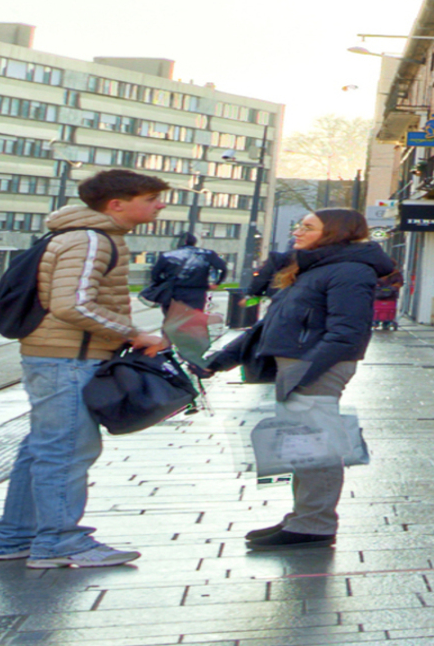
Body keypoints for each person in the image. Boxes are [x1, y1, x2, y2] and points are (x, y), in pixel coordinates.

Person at [0, 169, 170, 569]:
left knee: (44, 446)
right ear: (117, 204)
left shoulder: (86, 235)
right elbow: (72, 304)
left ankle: (15, 538)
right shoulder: (91, 239)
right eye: (152, 198)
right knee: (67, 448)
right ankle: (60, 542)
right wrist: (133, 334)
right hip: (69, 358)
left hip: (62, 356)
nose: (160, 205)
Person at [246, 210, 398, 550]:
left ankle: (315, 524)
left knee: (317, 445)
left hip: (316, 367)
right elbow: (278, 320)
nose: (298, 231)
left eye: (308, 227)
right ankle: (304, 516)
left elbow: (348, 333)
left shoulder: (350, 271)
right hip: (301, 365)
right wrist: (222, 359)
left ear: (334, 233)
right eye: (299, 225)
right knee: (303, 444)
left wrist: (305, 371)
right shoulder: (316, 266)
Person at [142, 235, 226, 360]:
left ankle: (166, 345)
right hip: (197, 293)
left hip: (174, 292)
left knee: (170, 319)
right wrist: (216, 283)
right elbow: (223, 268)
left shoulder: (168, 255)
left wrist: (163, 283)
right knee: (193, 320)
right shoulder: (207, 254)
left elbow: (155, 275)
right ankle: (191, 348)